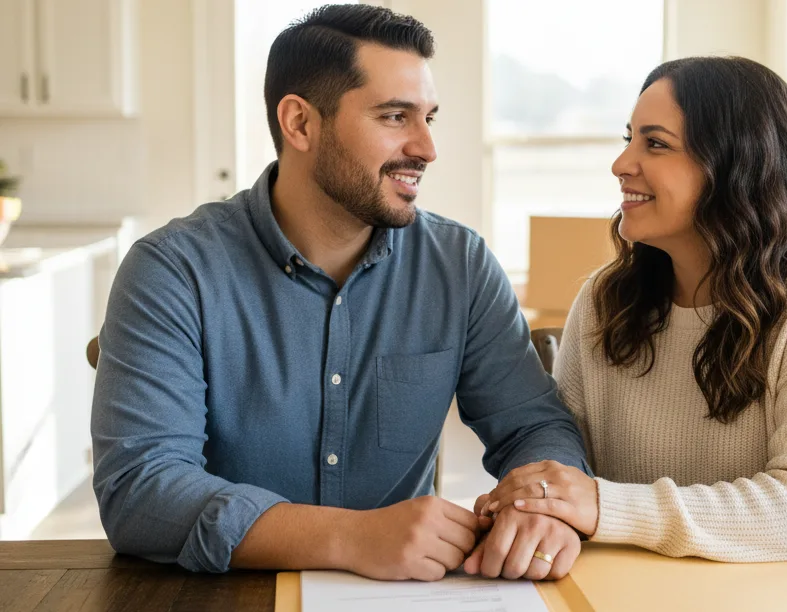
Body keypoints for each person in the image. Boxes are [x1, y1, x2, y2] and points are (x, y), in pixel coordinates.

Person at [91, 4, 587, 581]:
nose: (427, 148)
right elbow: (141, 490)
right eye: (395, 116)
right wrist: (349, 537)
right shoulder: (173, 271)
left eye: (428, 116)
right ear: (300, 123)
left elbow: (533, 427)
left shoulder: (461, 265)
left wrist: (545, 508)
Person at [478, 56, 787, 563]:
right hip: (649, 580)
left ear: (736, 163)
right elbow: (570, 466)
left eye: (655, 143)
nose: (621, 164)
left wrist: (603, 505)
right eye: (628, 138)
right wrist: (536, 508)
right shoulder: (604, 298)